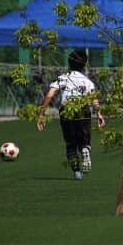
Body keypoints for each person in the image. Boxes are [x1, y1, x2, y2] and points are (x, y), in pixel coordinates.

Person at [36, 50, 105, 180]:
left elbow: (49, 95)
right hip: (83, 109)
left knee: (70, 143)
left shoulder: (63, 78)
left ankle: (77, 172)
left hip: (66, 110)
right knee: (85, 139)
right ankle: (85, 149)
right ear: (84, 65)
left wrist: (41, 114)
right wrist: (99, 114)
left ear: (69, 63)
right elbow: (93, 98)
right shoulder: (86, 81)